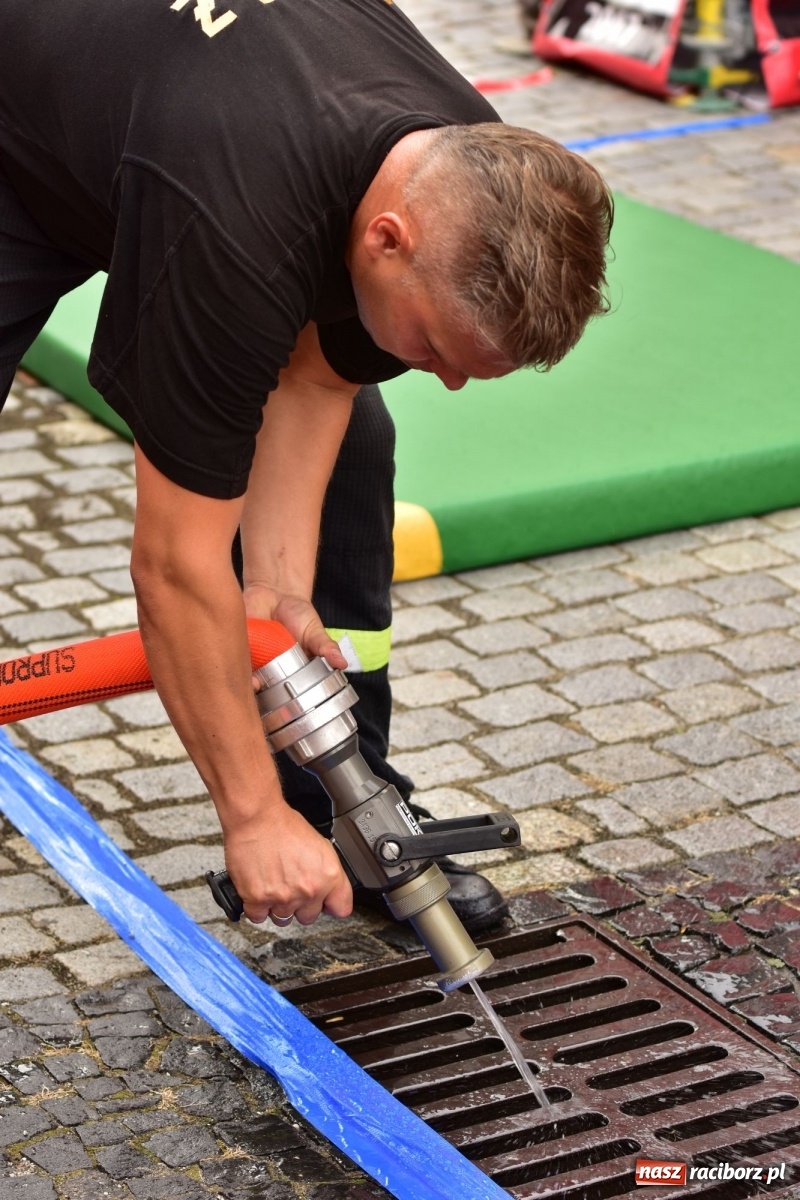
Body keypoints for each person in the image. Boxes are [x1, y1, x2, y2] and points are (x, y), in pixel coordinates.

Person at [0, 0, 613, 937]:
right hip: (31, 119)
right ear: (387, 239)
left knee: (357, 448)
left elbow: (319, 375)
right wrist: (247, 820)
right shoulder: (237, 228)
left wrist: (276, 592)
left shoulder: (462, 157)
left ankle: (348, 820)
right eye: (440, 346)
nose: (447, 380)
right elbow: (172, 566)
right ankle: (270, 822)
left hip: (164, 118)